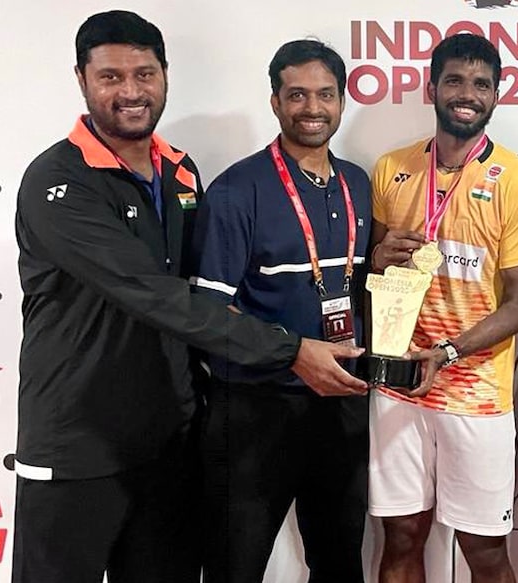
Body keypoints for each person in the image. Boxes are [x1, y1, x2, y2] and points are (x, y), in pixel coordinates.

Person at [11, 11, 366, 583]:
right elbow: (158, 297)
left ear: (165, 76)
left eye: (144, 74)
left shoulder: (179, 172)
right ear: (82, 79)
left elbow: (198, 287)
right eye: (111, 77)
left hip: (171, 439)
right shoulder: (58, 181)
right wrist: (290, 349)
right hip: (78, 443)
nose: (130, 92)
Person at [367, 33, 518, 583]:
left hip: (475, 395)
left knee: (485, 551)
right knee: (401, 537)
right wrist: (377, 257)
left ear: (497, 95)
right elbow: (376, 276)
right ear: (431, 87)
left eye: (480, 84)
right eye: (454, 80)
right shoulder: (392, 167)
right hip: (397, 384)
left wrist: (445, 352)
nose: (466, 94)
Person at [189, 40, 372, 583]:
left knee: (340, 563)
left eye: (325, 95)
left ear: (342, 102)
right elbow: (206, 314)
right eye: (297, 95)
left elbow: (350, 282)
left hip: (338, 405)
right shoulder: (236, 190)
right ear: (275, 102)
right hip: (253, 409)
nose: (311, 108)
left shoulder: (357, 183)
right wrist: (291, 357)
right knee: (235, 564)